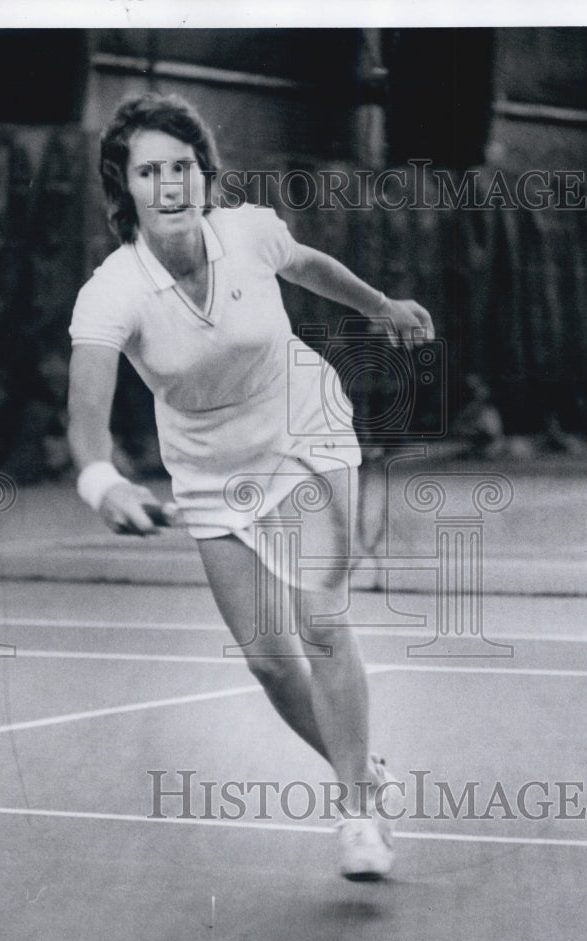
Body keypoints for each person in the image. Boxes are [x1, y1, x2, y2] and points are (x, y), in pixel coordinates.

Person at [67, 93, 434, 880]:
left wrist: (377, 307)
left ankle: (356, 813)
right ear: (122, 187)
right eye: (147, 172)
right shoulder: (111, 291)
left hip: (304, 431)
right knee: (267, 659)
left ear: (203, 177)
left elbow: (308, 265)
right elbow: (85, 413)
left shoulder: (248, 232)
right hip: (205, 468)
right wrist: (101, 479)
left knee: (320, 625)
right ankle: (365, 772)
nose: (167, 185)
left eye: (180, 168)